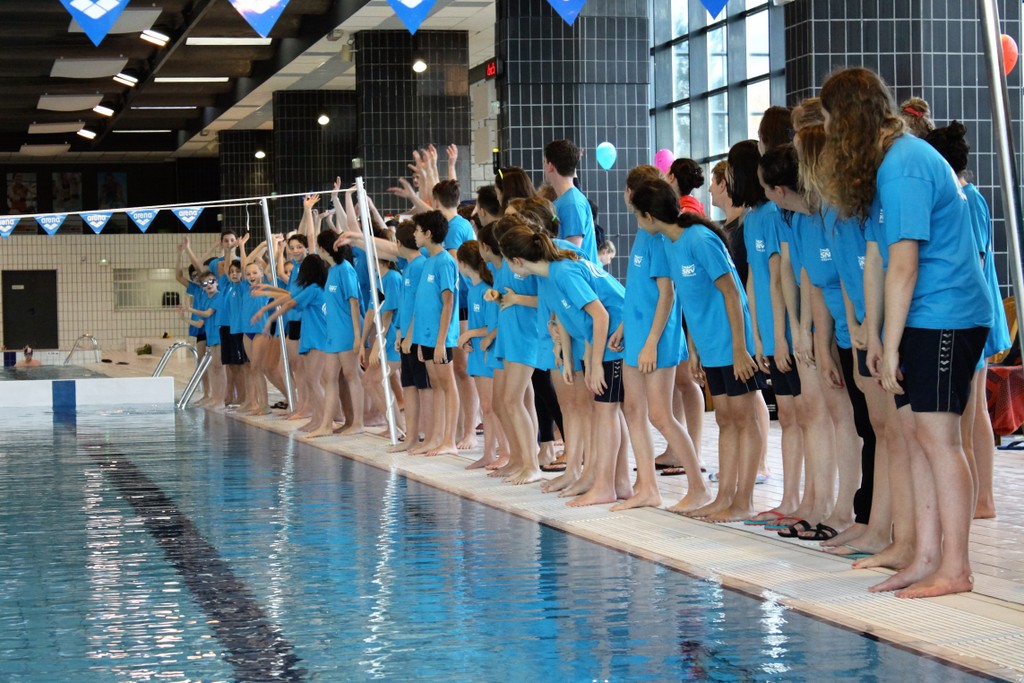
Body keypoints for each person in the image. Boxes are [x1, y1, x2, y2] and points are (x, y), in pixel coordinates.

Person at [820, 67, 991, 598]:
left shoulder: (904, 166)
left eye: (831, 121)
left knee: (939, 441)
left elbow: (905, 264)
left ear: (850, 119)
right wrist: (877, 336)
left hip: (947, 313)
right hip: (924, 316)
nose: (829, 135)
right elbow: (878, 259)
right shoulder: (887, 167)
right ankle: (925, 557)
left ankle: (955, 568)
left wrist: (888, 343)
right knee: (918, 438)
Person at [630, 179, 765, 522]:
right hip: (710, 345)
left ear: (648, 216)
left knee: (744, 419)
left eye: (636, 215)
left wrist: (740, 349)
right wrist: (694, 350)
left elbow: (732, 293)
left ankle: (744, 501)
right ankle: (724, 497)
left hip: (732, 343)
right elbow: (688, 300)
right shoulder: (670, 244)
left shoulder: (700, 239)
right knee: (724, 419)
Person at [499, 225, 633, 507]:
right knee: (606, 410)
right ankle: (617, 483)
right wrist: (568, 357)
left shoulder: (563, 271)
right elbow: (566, 316)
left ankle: (607, 485)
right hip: (600, 340)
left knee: (606, 411)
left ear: (517, 261)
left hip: (618, 338)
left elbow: (600, 315)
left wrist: (595, 363)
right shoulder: (549, 275)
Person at [925, 120, 1009, 520]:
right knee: (970, 412)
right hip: (971, 311)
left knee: (970, 414)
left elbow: (972, 260)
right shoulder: (962, 198)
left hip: (971, 313)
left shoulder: (967, 200)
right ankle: (978, 496)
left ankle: (981, 497)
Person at [617, 165, 710, 513]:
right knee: (633, 409)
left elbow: (667, 294)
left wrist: (651, 342)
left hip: (655, 339)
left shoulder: (658, 237)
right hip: (636, 333)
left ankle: (698, 487)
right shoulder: (645, 232)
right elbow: (638, 290)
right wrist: (624, 327)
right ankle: (647, 488)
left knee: (660, 414)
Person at [409, 211, 462, 457]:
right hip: (428, 336)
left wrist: (441, 342)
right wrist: (422, 341)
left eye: (417, 230)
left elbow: (448, 303)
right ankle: (436, 437)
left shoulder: (445, 262)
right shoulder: (428, 260)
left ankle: (449, 440)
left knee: (447, 385)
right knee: (437, 385)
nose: (414, 234)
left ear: (428, 234)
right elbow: (424, 304)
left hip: (441, 338)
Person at [456, 240, 510, 470]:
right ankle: (488, 453)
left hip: (490, 353)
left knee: (493, 407)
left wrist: (469, 333)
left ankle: (505, 452)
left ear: (462, 264)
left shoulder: (487, 289)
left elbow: (493, 326)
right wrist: (469, 339)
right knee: (486, 407)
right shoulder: (473, 289)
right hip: (479, 353)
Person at [545, 139, 598, 262]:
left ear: (550, 166)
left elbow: (571, 253)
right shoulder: (565, 201)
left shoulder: (572, 203)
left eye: (544, 162)